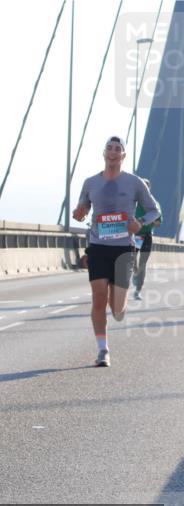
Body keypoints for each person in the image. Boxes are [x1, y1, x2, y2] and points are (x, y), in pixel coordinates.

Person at [72, 136, 160, 366]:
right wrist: (80, 211)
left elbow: (155, 210)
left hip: (123, 249)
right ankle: (103, 350)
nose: (112, 152)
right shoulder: (90, 182)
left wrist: (139, 222)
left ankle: (121, 301)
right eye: (109, 148)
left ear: (123, 156)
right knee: (98, 298)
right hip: (98, 246)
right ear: (104, 154)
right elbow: (83, 206)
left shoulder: (135, 183)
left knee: (117, 310)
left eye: (117, 149)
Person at [132, 177, 162, 300]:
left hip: (146, 236)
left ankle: (138, 290)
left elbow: (158, 223)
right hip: (135, 236)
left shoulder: (154, 204)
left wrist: (150, 219)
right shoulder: (132, 202)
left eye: (145, 187)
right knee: (132, 260)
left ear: (148, 189)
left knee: (142, 264)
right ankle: (135, 273)